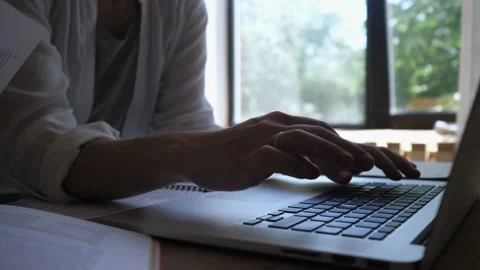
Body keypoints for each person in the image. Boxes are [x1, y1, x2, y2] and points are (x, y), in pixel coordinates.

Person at [0, 0, 420, 203]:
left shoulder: (180, 7)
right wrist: (185, 151)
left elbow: (186, 124)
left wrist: (286, 156)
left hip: (111, 222)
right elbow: (32, 145)